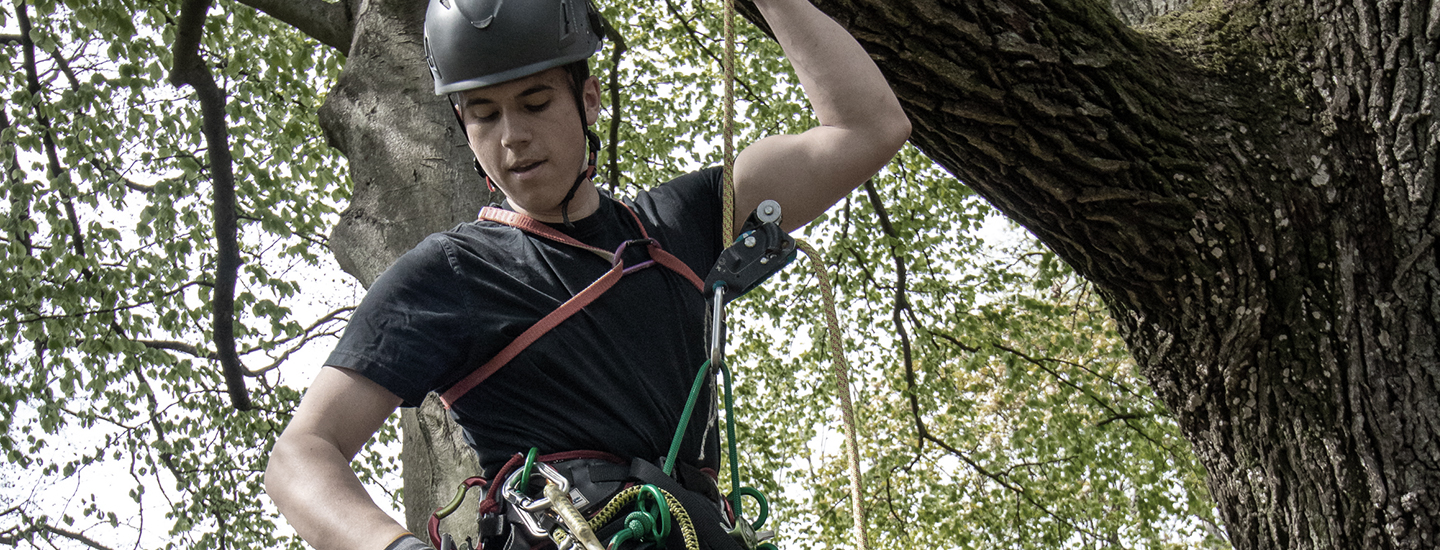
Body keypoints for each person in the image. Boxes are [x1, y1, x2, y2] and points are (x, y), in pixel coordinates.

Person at [264, 0, 909, 549]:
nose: (512, 135)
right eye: (484, 114)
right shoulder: (451, 275)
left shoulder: (681, 224)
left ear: (589, 97)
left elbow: (868, 127)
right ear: (464, 128)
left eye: (536, 100)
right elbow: (301, 456)